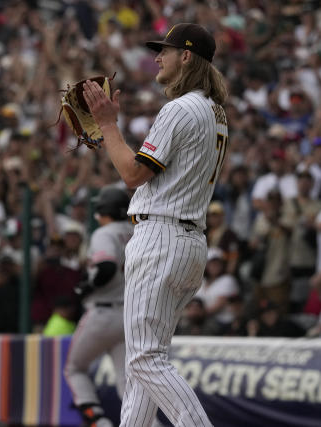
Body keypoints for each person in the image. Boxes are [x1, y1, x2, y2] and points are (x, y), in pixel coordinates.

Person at [83, 22, 228, 427]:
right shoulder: (214, 111)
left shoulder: (181, 107)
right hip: (187, 239)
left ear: (186, 56)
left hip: (161, 236)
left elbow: (132, 174)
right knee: (143, 365)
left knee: (145, 359)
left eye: (164, 51)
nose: (156, 58)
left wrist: (108, 125)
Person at [64, 186, 133, 427]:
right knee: (128, 386)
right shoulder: (135, 231)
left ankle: (100, 424)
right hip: (129, 316)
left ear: (104, 209)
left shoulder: (105, 233)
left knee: (75, 369)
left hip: (102, 312)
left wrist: (84, 287)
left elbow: (105, 267)